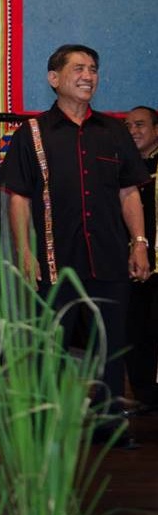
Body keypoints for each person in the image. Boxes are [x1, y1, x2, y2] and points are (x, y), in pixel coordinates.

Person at [0, 44, 150, 449]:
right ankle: (47, 424)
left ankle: (108, 424)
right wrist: (24, 252)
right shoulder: (31, 134)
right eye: (79, 68)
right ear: (54, 78)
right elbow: (18, 198)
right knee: (50, 345)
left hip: (110, 258)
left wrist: (139, 243)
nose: (88, 75)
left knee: (110, 345)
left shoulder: (114, 132)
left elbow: (129, 192)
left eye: (93, 69)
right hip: (54, 260)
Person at [123, 105, 158, 413]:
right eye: (128, 126)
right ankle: (144, 396)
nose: (133, 130)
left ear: (156, 130)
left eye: (140, 124)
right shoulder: (122, 168)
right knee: (135, 331)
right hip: (132, 266)